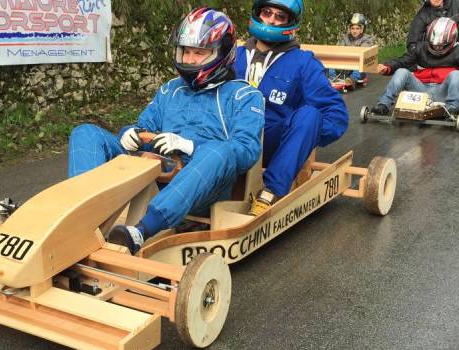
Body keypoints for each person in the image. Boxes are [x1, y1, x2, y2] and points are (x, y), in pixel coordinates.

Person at [67, 7, 265, 254]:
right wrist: (131, 133)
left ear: (222, 53)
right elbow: (145, 127)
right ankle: (80, 213)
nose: (190, 60)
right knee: (86, 133)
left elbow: (246, 151)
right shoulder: (171, 89)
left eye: (199, 53)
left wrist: (188, 146)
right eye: (186, 51)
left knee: (219, 150)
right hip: (158, 170)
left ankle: (141, 231)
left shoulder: (244, 95)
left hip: (207, 183)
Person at [235, 0, 349, 216]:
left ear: (290, 23)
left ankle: (269, 193)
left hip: (272, 145)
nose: (271, 20)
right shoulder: (233, 56)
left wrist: (302, 140)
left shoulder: (303, 62)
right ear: (258, 14)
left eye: (280, 16)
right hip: (229, 140)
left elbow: (336, 115)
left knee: (310, 115)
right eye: (267, 13)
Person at [371, 17, 459, 116]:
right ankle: (383, 104)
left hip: (443, 91)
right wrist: (387, 67)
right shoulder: (420, 48)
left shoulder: (458, 51)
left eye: (441, 45)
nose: (437, 48)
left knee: (456, 74)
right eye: (434, 45)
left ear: (452, 40)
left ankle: (452, 108)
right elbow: (402, 61)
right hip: (420, 88)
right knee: (401, 71)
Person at [328, 13, 375, 85]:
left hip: (357, 64)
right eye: (352, 28)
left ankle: (351, 80)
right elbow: (340, 50)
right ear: (350, 29)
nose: (354, 31)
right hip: (345, 63)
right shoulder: (345, 38)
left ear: (362, 29)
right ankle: (332, 78)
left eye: (357, 28)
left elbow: (362, 51)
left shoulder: (368, 39)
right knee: (331, 62)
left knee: (359, 66)